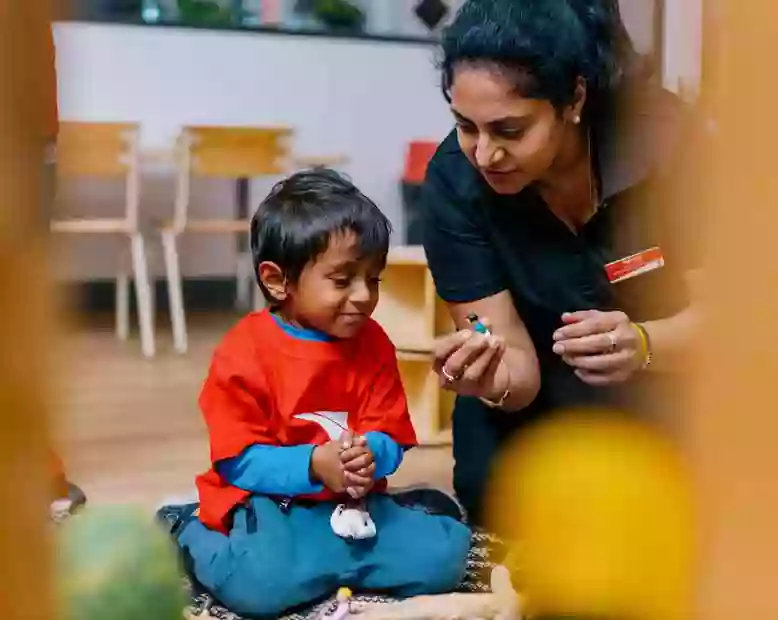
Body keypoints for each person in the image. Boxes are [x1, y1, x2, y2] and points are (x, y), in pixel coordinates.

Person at [421, 0, 708, 525]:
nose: (484, 154)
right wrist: (491, 377)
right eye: (465, 126)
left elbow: (734, 324)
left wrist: (646, 343)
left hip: (662, 390)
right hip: (532, 421)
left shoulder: (669, 145)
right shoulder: (452, 184)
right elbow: (512, 363)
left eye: (509, 131)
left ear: (574, 98)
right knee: (503, 506)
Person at [174, 169, 472, 617]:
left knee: (445, 560)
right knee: (259, 588)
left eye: (373, 279)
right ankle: (185, 525)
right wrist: (315, 466)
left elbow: (389, 434)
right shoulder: (243, 350)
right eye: (342, 279)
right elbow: (238, 459)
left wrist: (369, 457)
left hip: (356, 501)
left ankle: (361, 541)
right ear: (278, 281)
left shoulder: (373, 343)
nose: (363, 296)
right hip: (273, 502)